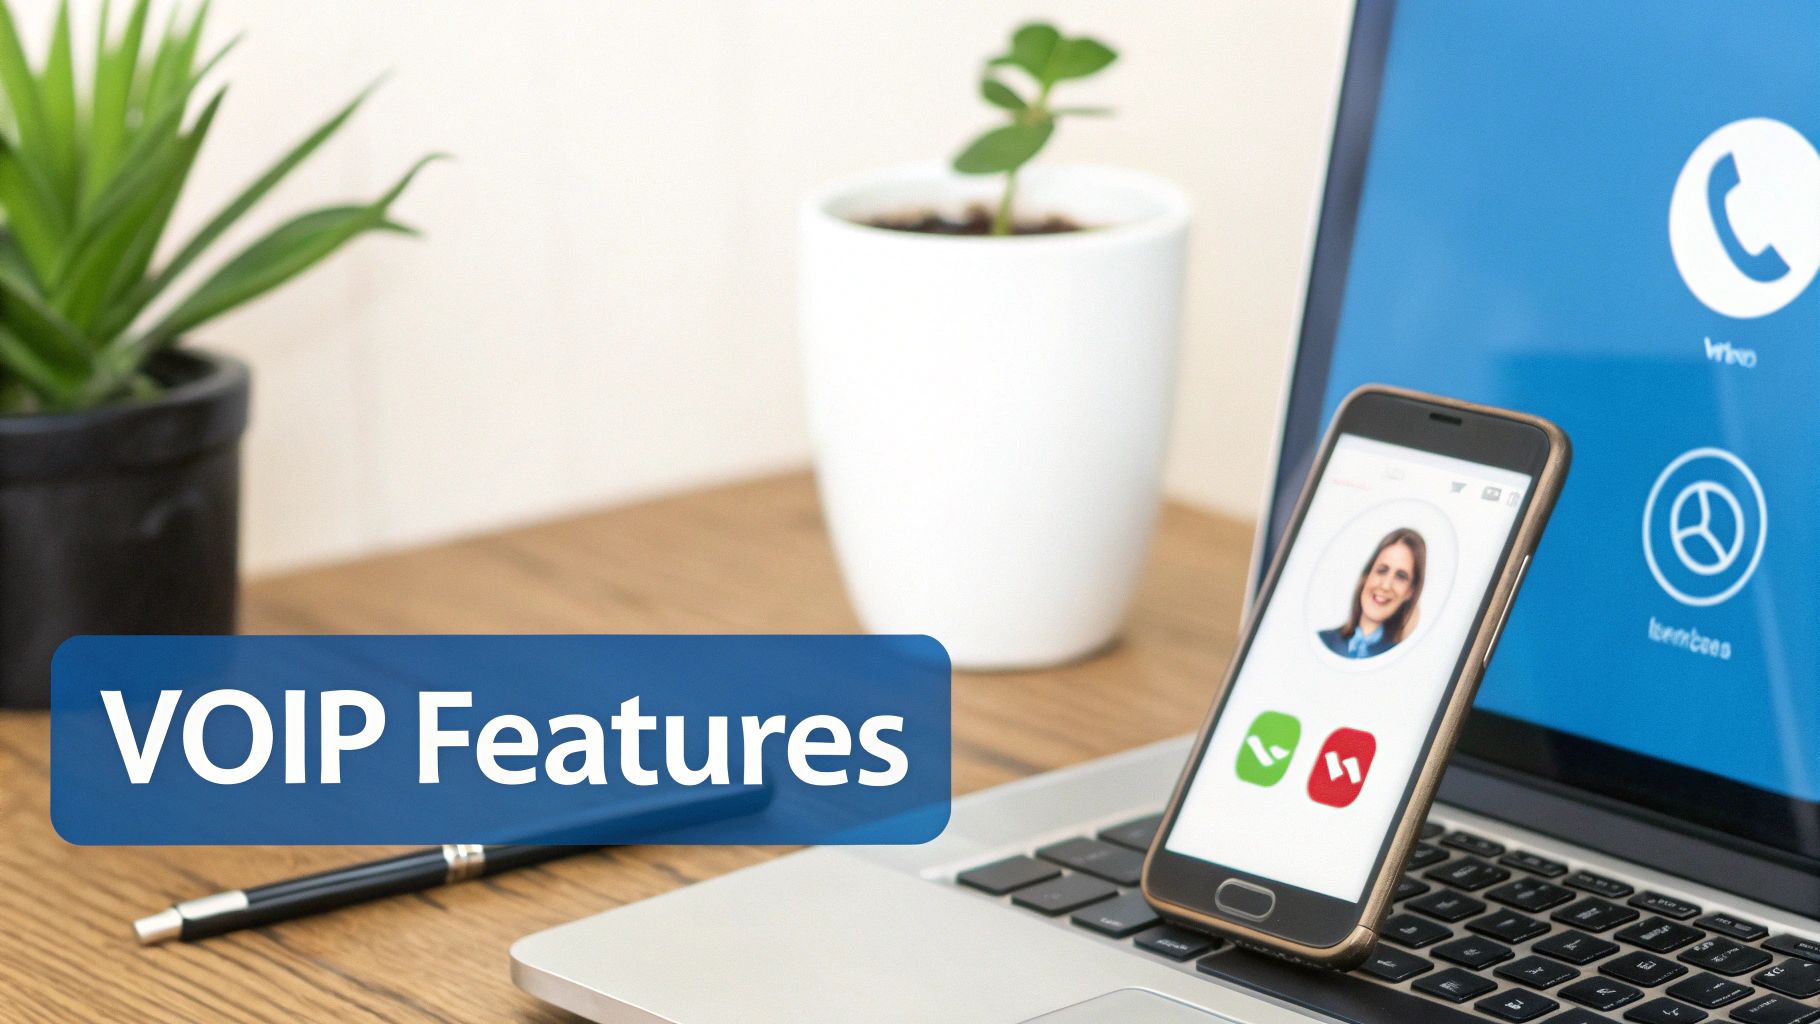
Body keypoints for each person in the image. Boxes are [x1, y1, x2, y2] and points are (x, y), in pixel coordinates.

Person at [1319, 528, 1426, 659]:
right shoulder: (1324, 641)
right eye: (1381, 570)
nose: (1386, 585)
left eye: (1401, 577)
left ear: (1410, 591)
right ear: (1366, 576)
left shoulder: (1402, 656)